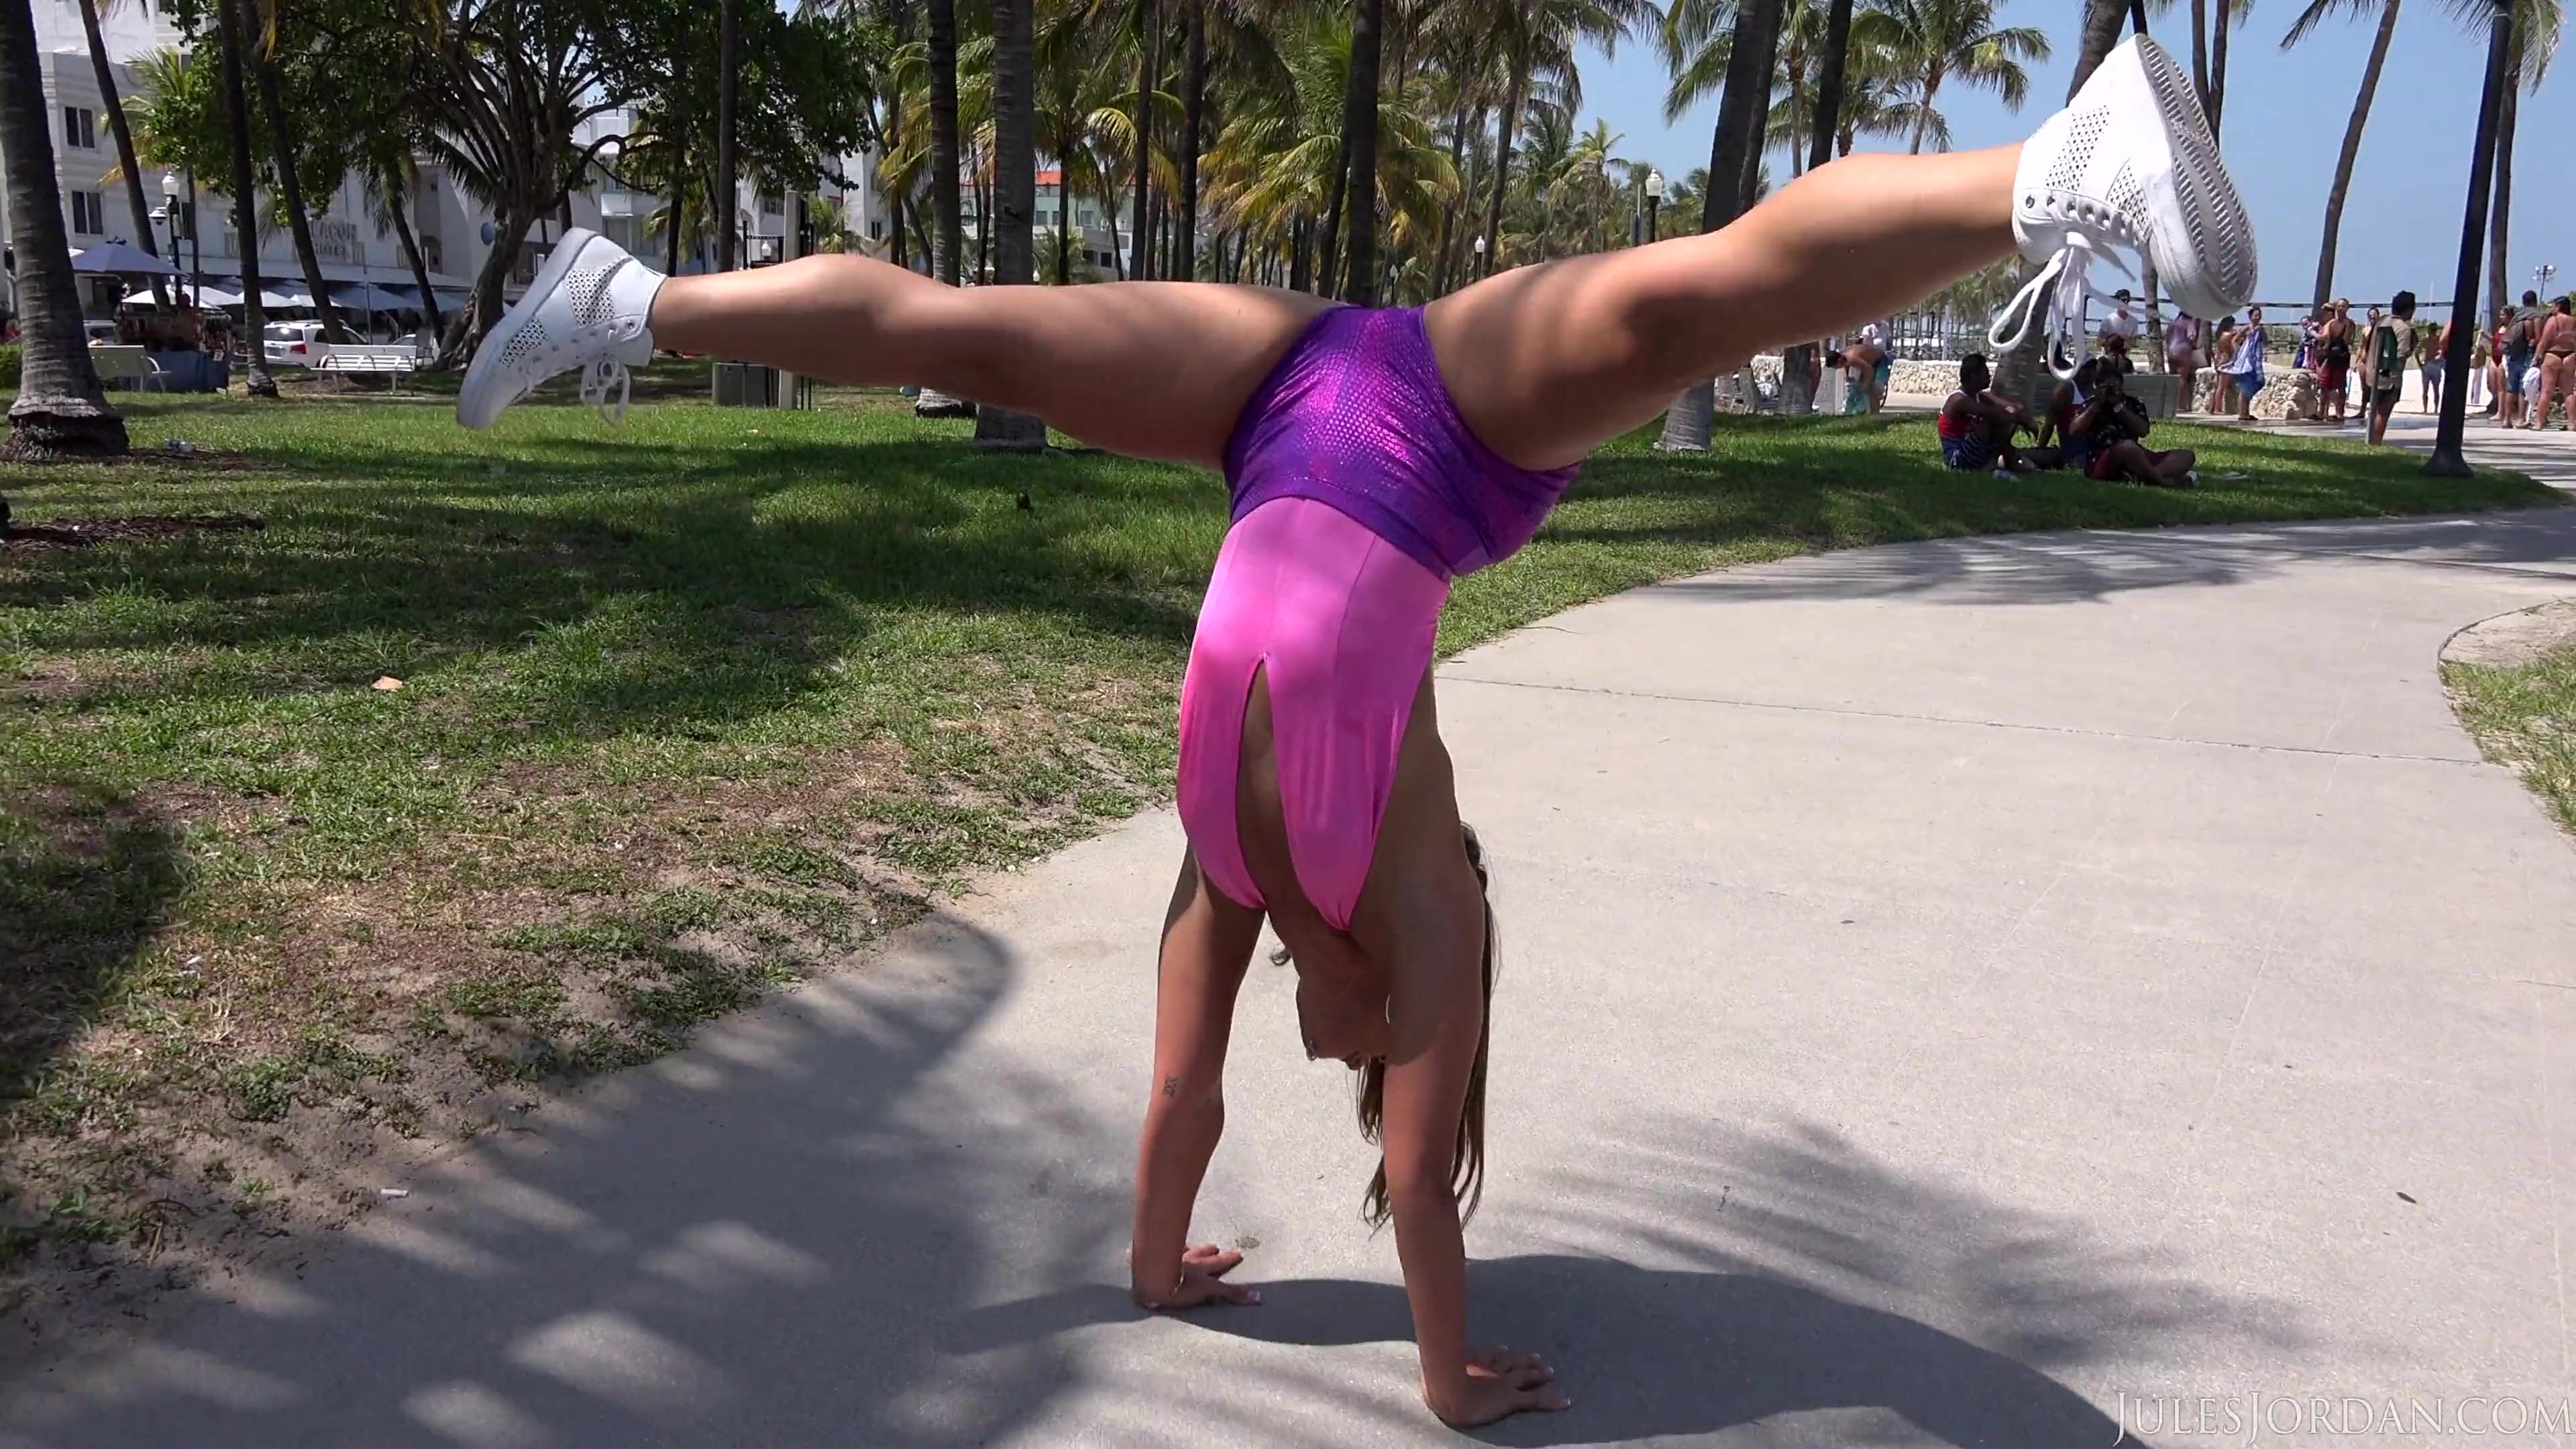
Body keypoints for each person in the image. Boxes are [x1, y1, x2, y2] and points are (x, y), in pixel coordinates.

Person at [451, 36, 2252, 1430]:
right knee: (1689, 301)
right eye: (1374, 1061)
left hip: (1270, 398)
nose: (1352, 1065)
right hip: (1454, 432)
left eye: (1353, 1065)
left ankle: (623, 299)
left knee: (973, 340)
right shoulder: (1426, 900)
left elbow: (1180, 1092)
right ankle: (2052, 168)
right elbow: (1417, 1187)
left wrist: (1149, 1270)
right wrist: (1443, 1378)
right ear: (1402, 1010)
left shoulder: (1225, 884)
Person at [2049, 357, 2199, 486]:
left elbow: (2143, 431)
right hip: (2102, 457)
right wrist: (2096, 405)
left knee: (2186, 456)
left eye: (2114, 387)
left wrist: (2119, 407)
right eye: (2106, 387)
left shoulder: (2132, 404)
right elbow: (2074, 431)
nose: (2111, 391)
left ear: (2121, 386)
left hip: (2136, 455)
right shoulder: (2090, 405)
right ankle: (2158, 480)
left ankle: (2148, 476)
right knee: (2127, 447)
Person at [1938, 352, 2058, 476]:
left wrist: (2022, 415)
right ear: (1973, 376)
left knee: (2003, 416)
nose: (1989, 376)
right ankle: (2007, 463)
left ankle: (2003, 462)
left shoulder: (1979, 396)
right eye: (1985, 373)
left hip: (1975, 450)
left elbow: (2013, 407)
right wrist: (2023, 421)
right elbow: (1995, 415)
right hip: (1957, 458)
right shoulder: (1959, 400)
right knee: (1993, 420)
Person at [2359, 290, 2415, 445]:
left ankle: (2369, 441)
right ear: (2410, 309)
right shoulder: (2403, 328)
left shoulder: (2381, 322)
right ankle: (2375, 444)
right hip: (2390, 378)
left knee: (2373, 411)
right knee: (2383, 413)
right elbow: (2402, 354)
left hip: (2372, 374)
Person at [2530, 297, 2575, 431]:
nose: (2552, 308)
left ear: (2559, 306)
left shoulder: (2554, 320)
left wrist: (2536, 357)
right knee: (2569, 392)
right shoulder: (2573, 321)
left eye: (2554, 305)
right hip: (2569, 355)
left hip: (2553, 354)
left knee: (2546, 391)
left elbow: (2544, 341)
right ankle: (2573, 423)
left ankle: (2539, 423)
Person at [2502, 290, 2540, 427]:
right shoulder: (2535, 315)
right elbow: (2536, 337)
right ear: (2535, 301)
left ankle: (2507, 420)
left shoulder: (2517, 316)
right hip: (2527, 353)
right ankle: (2521, 419)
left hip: (2513, 353)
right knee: (2523, 386)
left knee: (2511, 387)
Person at [2220, 305, 2265, 421]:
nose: (2257, 318)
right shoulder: (2246, 328)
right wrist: (2239, 352)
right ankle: (2242, 413)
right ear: (2250, 317)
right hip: (2246, 360)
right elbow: (2235, 340)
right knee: (2245, 387)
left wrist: (2262, 332)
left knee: (2256, 383)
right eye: (2255, 315)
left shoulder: (2260, 329)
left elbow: (2265, 342)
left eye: (2259, 316)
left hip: (2255, 360)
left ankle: (2246, 412)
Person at [2314, 299, 2354, 425]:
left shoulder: (2349, 323)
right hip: (2331, 355)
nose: (2341, 309)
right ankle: (2322, 411)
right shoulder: (2331, 324)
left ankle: (2339, 413)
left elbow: (2347, 340)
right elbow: (2327, 338)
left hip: (2342, 356)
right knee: (2325, 384)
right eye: (2339, 306)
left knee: (2340, 386)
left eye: (2343, 306)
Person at [2167, 309, 2201, 409]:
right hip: (2183, 351)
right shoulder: (2189, 323)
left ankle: (2170, 403)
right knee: (2182, 379)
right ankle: (2178, 405)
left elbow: (2168, 338)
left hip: (2171, 351)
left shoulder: (2173, 323)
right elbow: (2192, 338)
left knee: (2173, 378)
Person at [2420, 313, 2448, 415]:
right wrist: (2439, 357)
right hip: (2436, 365)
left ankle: (2425, 409)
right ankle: (2436, 409)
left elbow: (2417, 353)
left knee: (2425, 390)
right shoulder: (2439, 340)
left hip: (2427, 365)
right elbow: (2443, 351)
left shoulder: (2426, 340)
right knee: (2436, 390)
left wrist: (2420, 365)